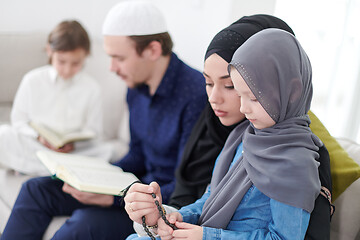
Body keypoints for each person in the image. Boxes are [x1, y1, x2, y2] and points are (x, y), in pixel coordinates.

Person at [0, 1, 207, 240]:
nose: (111, 68)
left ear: (152, 50)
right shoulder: (136, 87)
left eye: (118, 58)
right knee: (35, 189)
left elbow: (186, 189)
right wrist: (95, 179)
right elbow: (137, 155)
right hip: (132, 189)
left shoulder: (196, 95)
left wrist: (113, 198)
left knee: (82, 225)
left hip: (156, 205)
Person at [125, 15, 332, 240]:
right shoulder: (243, 136)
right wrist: (175, 217)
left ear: (289, 91)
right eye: (240, 95)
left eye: (251, 97)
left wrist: (207, 236)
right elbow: (211, 198)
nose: (243, 108)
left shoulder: (295, 160)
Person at [0, 20, 112, 176]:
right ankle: (59, 171)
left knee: (108, 151)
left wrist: (73, 145)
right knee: (3, 135)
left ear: (86, 56)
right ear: (49, 51)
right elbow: (19, 121)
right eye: (61, 61)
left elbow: (94, 132)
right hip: (37, 147)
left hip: (73, 152)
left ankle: (41, 169)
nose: (67, 69)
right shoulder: (32, 80)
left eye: (75, 63)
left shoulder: (92, 88)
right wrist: (39, 138)